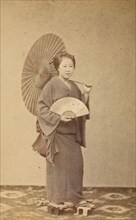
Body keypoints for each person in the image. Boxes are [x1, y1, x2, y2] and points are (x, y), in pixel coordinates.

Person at [37, 52, 91, 207]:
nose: (68, 69)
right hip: (58, 134)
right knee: (59, 167)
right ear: (58, 68)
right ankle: (57, 199)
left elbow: (81, 109)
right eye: (64, 66)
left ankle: (74, 198)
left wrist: (86, 94)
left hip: (72, 134)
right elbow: (41, 108)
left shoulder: (74, 86)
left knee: (76, 166)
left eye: (71, 66)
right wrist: (58, 117)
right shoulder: (51, 85)